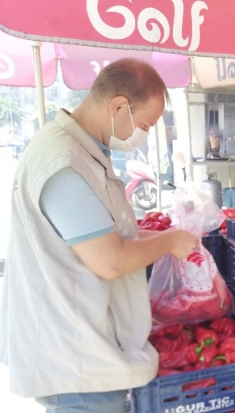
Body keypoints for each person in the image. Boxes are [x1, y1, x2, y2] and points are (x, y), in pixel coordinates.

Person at [0, 59, 199, 413]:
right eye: (144, 124)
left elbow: (101, 231)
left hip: (82, 344)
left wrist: (160, 234)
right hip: (75, 361)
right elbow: (110, 260)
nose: (145, 134)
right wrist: (169, 242)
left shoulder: (82, 151)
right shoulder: (64, 164)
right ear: (118, 105)